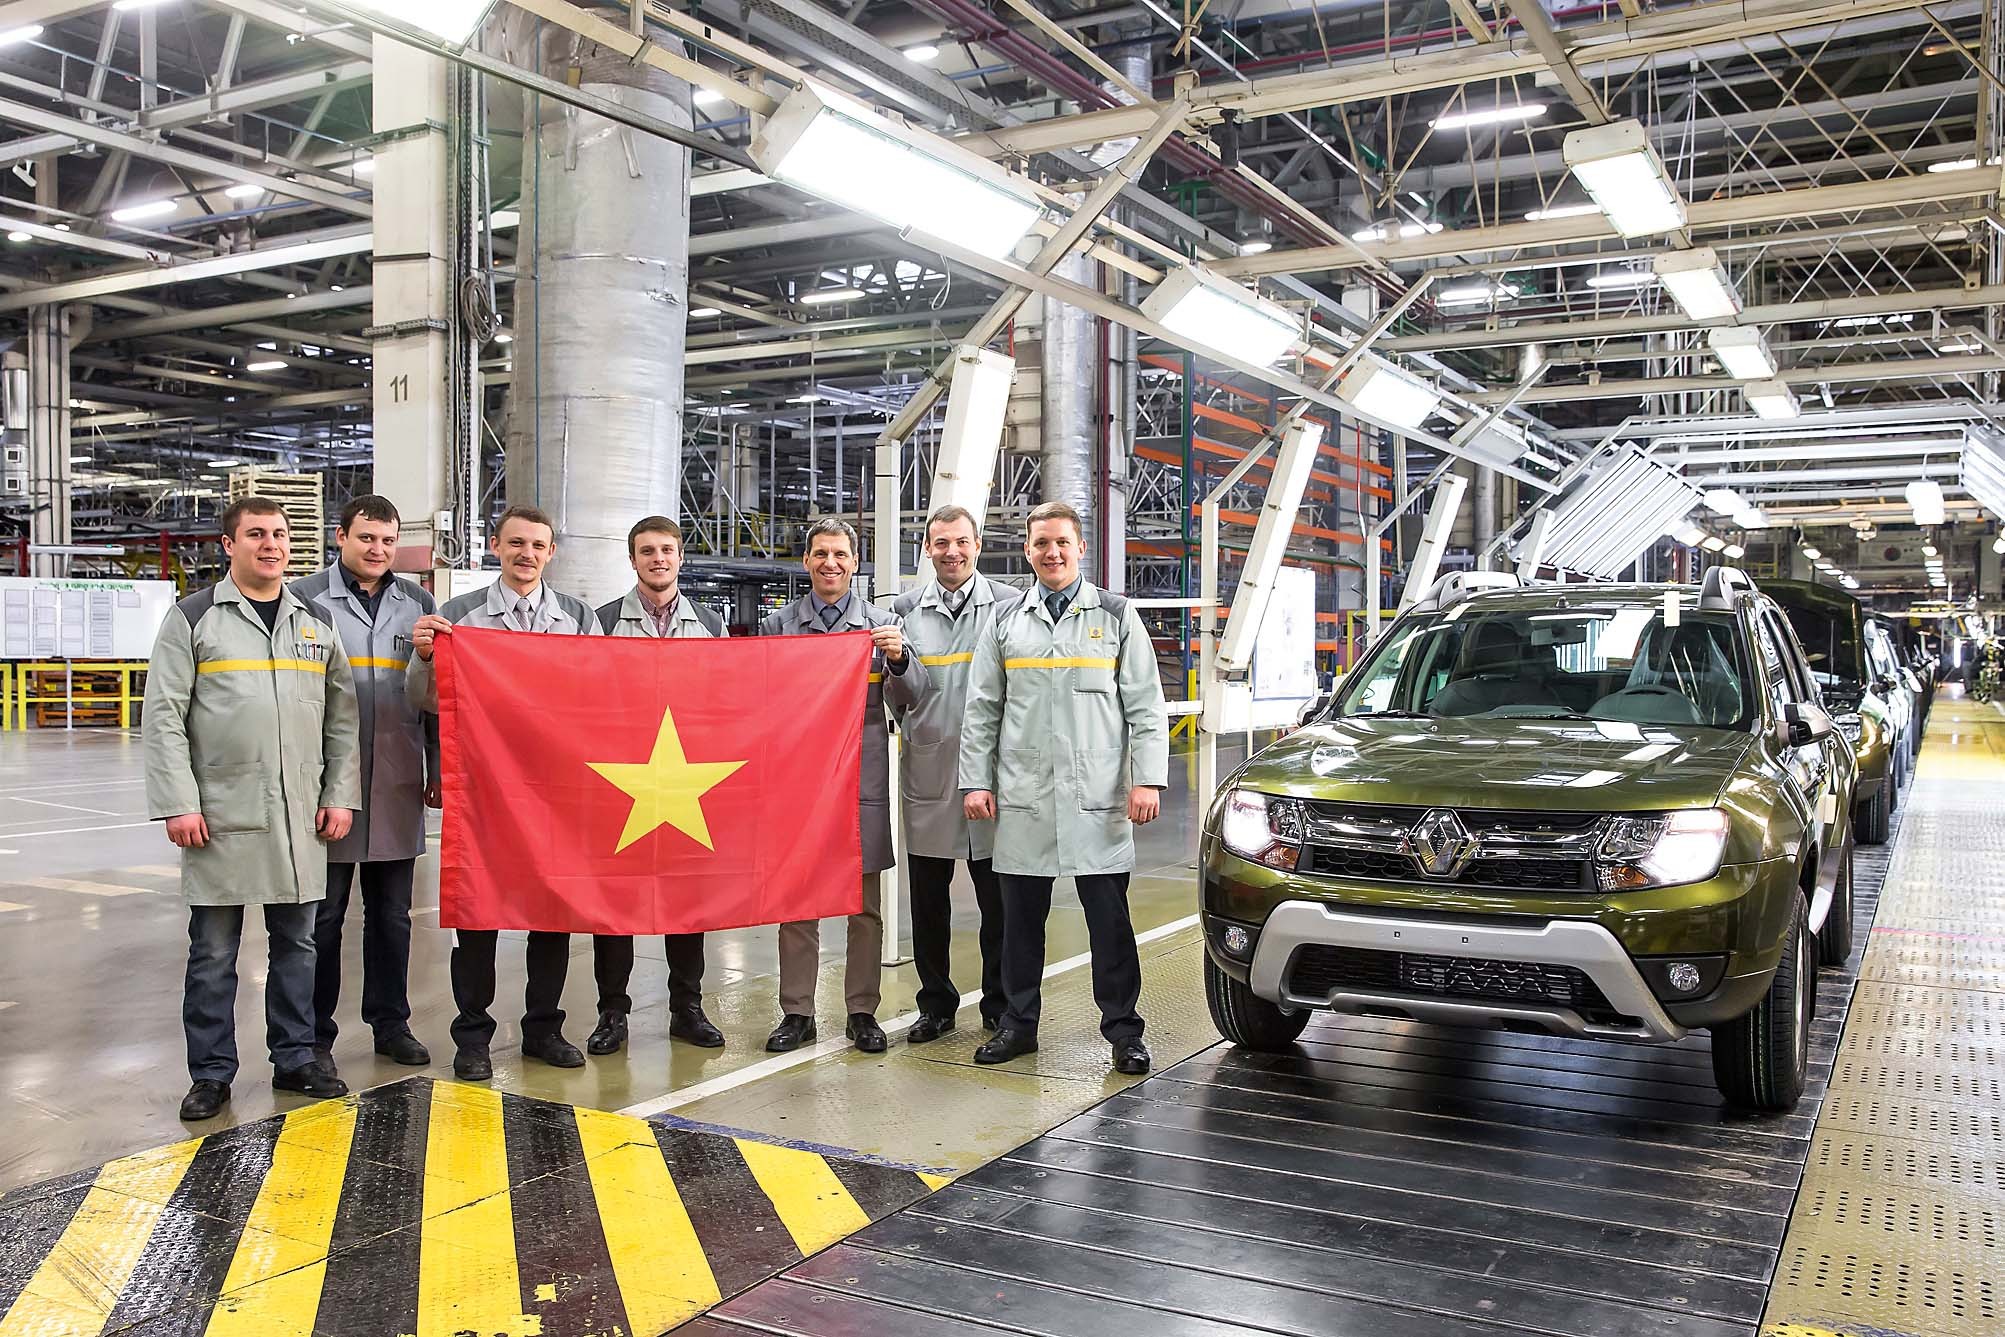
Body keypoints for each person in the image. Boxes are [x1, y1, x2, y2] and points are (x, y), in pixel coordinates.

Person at [143, 496, 362, 1121]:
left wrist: (339, 794)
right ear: (228, 545)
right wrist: (178, 803)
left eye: (280, 535)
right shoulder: (194, 618)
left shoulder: (315, 622)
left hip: (300, 817)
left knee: (298, 946)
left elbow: (342, 719)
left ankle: (295, 1060)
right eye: (257, 534)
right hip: (220, 817)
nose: (272, 545)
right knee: (214, 954)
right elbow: (163, 717)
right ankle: (211, 1074)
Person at [960, 500, 1168, 1076]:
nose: (1052, 553)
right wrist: (974, 781)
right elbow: (982, 709)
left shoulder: (1116, 615)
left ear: (1080, 548)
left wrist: (1148, 780)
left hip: (1098, 797)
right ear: (1027, 551)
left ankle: (1124, 1031)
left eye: (1061, 543)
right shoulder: (1005, 621)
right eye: (1041, 544)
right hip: (1023, 795)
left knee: (1110, 925)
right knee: (1019, 926)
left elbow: (1146, 706)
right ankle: (1018, 1025)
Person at [408, 504, 603, 1081]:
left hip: (557, 790)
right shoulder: (458, 617)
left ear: (551, 553)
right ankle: (473, 1035)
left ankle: (543, 1028)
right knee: (478, 911)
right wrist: (424, 658)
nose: (527, 554)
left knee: (552, 911)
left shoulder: (578, 618)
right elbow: (425, 700)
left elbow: (601, 695)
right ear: (495, 546)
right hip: (484, 788)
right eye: (516, 543)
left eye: (538, 546)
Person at [758, 518, 928, 1054]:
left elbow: (914, 697)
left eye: (840, 554)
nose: (830, 563)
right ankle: (797, 1013)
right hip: (800, 785)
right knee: (797, 902)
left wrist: (899, 658)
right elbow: (761, 703)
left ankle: (861, 1012)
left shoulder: (882, 626)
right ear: (806, 561)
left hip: (861, 781)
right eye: (820, 554)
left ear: (855, 563)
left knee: (863, 905)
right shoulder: (778, 627)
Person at [292, 495, 438, 1073]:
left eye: (387, 540)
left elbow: (435, 696)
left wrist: (437, 768)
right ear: (341, 537)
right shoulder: (303, 599)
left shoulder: (418, 604)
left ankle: (391, 1023)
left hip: (398, 777)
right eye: (367, 538)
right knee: (322, 918)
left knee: (392, 917)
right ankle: (313, 1035)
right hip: (329, 783)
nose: (378, 550)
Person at [588, 516, 730, 1055]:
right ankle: (612, 1011)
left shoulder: (710, 624)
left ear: (680, 556)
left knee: (687, 896)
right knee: (615, 899)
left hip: (686, 777)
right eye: (647, 551)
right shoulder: (601, 622)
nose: (658, 559)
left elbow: (725, 700)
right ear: (632, 559)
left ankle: (687, 1008)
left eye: (667, 549)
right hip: (621, 779)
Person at [889, 504, 1019, 1042]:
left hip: (994, 776)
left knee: (999, 902)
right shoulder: (903, 612)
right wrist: (899, 664)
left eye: (961, 541)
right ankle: (936, 1005)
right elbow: (899, 699)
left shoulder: (1009, 606)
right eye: (941, 543)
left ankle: (999, 1004)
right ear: (927, 548)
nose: (952, 552)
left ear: (977, 544)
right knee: (928, 903)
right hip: (931, 769)